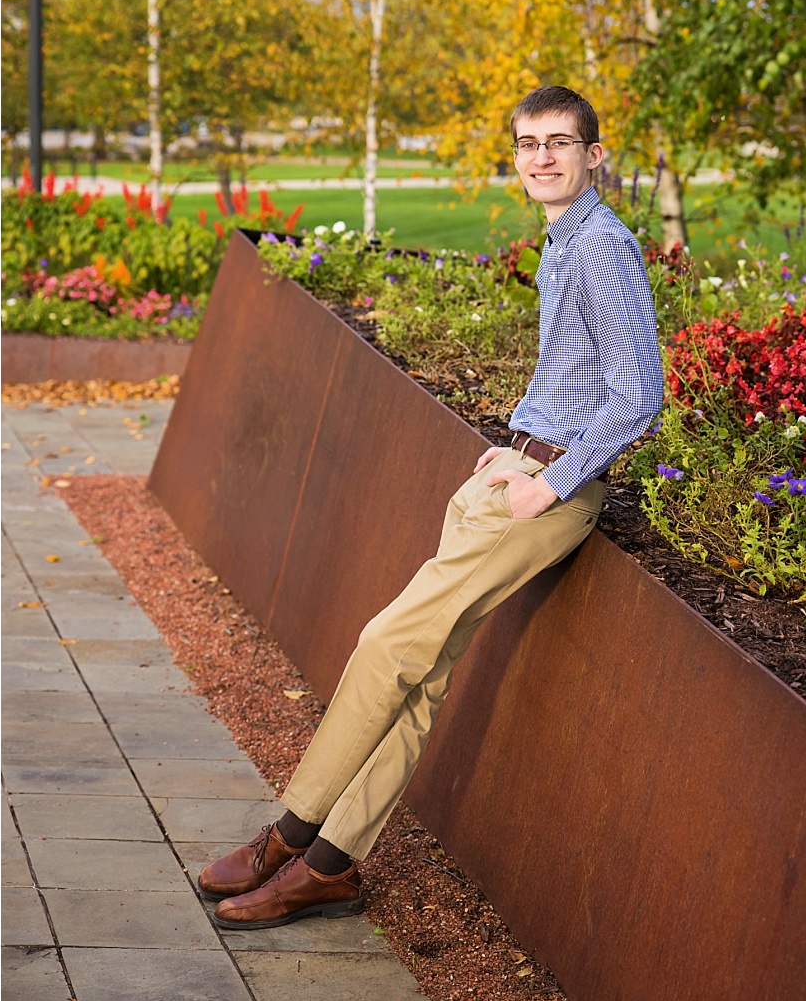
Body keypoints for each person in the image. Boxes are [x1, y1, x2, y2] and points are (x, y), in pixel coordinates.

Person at [198, 84, 666, 929]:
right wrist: (519, 442)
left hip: (540, 498)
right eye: (528, 144)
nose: (542, 158)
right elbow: (578, 368)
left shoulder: (603, 246)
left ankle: (289, 836)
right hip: (522, 472)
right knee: (421, 680)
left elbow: (640, 393)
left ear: (596, 155)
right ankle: (331, 868)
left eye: (561, 143)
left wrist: (550, 480)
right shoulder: (569, 240)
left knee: (387, 645)